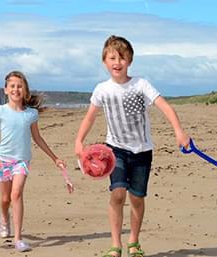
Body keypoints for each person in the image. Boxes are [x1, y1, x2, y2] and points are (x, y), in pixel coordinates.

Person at [74, 35, 190, 257]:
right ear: (104, 62)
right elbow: (89, 117)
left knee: (137, 197)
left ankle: (134, 241)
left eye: (122, 58)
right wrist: (79, 140)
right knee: (118, 194)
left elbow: (165, 107)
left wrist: (179, 131)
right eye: (112, 58)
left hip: (142, 151)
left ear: (130, 61)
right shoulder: (102, 89)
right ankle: (115, 245)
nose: (117, 62)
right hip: (114, 150)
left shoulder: (141, 85)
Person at [0, 70, 65, 252]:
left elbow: (38, 139)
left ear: (25, 90)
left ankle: (18, 239)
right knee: (5, 199)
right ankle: (4, 218)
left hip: (21, 161)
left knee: (16, 195)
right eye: (12, 86)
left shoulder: (31, 114)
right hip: (2, 161)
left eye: (19, 86)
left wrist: (55, 158)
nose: (16, 89)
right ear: (6, 90)